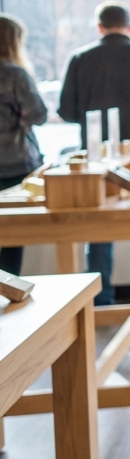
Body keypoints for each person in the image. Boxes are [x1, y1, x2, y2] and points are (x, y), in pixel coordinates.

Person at [58, 0, 130, 304]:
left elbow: (66, 110)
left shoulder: (80, 58)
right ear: (129, 27)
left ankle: (101, 301)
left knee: (99, 231)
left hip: (97, 159)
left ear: (99, 27)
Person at [0, 14, 46, 275]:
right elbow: (37, 113)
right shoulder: (14, 75)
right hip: (14, 164)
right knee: (12, 238)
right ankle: (8, 295)